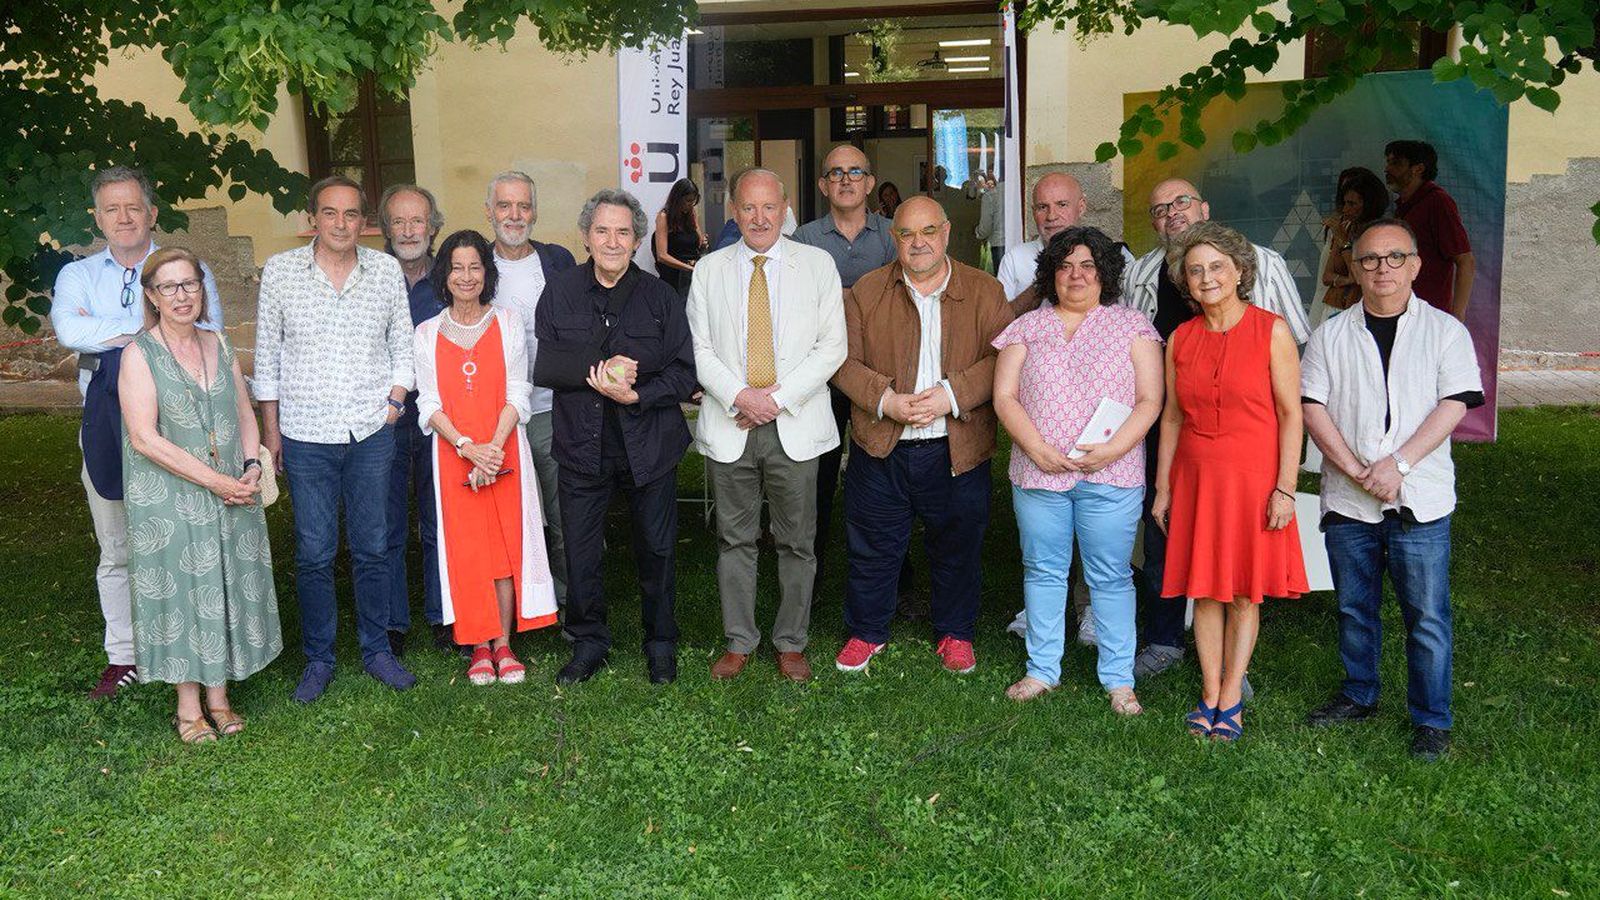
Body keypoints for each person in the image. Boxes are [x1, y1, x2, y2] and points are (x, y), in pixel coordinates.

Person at [1301, 217, 1484, 761]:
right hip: (1349, 498)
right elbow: (1313, 408)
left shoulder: (1446, 331)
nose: (1383, 269)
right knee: (1356, 608)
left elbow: (1454, 402)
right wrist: (1359, 471)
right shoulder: (1330, 335)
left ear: (1416, 265)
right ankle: (1359, 694)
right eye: (1370, 260)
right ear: (1354, 268)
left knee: (1426, 616)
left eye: (1395, 257)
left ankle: (1432, 719)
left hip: (1420, 497)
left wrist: (1397, 464)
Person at [1122, 177, 1309, 685]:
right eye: (1160, 208)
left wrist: (1285, 483)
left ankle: (1233, 673)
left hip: (1251, 459)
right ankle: (1171, 645)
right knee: (1183, 559)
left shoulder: (1268, 303)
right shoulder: (1159, 302)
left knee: (1242, 577)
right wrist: (1162, 486)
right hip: (1187, 450)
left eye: (1181, 202)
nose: (1173, 213)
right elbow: (1171, 408)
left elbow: (1294, 402)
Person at [50, 166, 224, 700]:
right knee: (118, 543)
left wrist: (117, 335)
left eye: (133, 207)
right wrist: (144, 332)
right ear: (97, 217)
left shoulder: (185, 269)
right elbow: (69, 330)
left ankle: (197, 644)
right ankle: (125, 654)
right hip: (105, 421)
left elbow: (208, 329)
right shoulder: (77, 276)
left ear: (151, 213)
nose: (124, 218)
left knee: (189, 537)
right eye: (111, 209)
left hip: (182, 421)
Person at [831, 196, 1013, 675]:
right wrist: (884, 400)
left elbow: (1005, 358)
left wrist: (952, 395)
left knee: (957, 546)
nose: (918, 243)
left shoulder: (984, 290)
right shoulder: (866, 292)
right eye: (907, 234)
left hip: (957, 446)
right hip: (881, 444)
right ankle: (866, 632)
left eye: (928, 231)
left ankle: (955, 632)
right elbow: (841, 362)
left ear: (947, 232)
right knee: (872, 545)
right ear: (894, 239)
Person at [255, 174, 416, 702]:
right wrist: (271, 431)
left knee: (373, 547)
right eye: (330, 213)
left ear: (364, 222)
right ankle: (319, 658)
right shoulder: (281, 273)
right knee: (314, 551)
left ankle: (377, 650)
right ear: (312, 219)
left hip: (372, 430)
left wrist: (394, 404)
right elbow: (268, 358)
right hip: (305, 434)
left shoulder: (385, 270)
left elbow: (404, 345)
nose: (341, 224)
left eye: (351, 215)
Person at [992, 227, 1163, 712]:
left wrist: (1113, 451)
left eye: (1087, 265)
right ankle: (1042, 669)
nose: (1076, 275)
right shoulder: (1026, 326)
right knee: (1043, 571)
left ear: (1104, 272)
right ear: (1050, 273)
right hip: (1038, 472)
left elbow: (1151, 400)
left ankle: (1118, 678)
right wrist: (1037, 448)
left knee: (1110, 575)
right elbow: (1005, 397)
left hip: (1112, 474)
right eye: (1065, 265)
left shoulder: (1132, 326)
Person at [532, 189, 698, 686]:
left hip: (650, 442)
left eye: (623, 232)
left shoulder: (660, 298)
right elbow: (547, 365)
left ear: (637, 239)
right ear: (586, 237)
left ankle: (661, 642)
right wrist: (599, 371)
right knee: (581, 549)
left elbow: (684, 374)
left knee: (658, 546)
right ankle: (589, 642)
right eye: (602, 230)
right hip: (582, 444)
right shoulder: (559, 292)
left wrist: (638, 396)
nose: (612, 241)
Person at [688, 168, 847, 683]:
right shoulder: (708, 271)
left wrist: (773, 400)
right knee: (735, 539)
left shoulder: (817, 265)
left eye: (769, 208)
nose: (759, 218)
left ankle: (790, 641)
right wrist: (740, 396)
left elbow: (832, 348)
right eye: (748, 208)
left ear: (785, 209)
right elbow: (701, 349)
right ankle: (739, 640)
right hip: (731, 419)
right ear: (734, 211)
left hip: (793, 423)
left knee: (797, 540)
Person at [118, 247, 281, 742]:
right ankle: (188, 706)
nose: (182, 295)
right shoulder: (138, 353)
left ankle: (219, 696)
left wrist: (252, 466)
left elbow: (245, 412)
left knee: (223, 584)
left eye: (189, 284)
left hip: (234, 486)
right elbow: (144, 437)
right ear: (151, 296)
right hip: (170, 495)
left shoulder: (220, 345)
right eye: (168, 287)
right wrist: (215, 482)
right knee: (186, 594)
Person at [414, 230, 559, 685]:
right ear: (444, 275)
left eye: (475, 266)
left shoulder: (508, 322)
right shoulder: (426, 333)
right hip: (454, 452)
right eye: (456, 267)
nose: (466, 275)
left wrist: (493, 449)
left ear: (486, 272)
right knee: (466, 547)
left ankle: (504, 643)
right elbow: (428, 403)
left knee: (503, 546)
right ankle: (478, 642)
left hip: (504, 449)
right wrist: (467, 448)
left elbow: (520, 390)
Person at [791, 145, 899, 605]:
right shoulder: (803, 238)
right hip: (820, 375)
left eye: (856, 171)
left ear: (870, 182)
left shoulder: (894, 236)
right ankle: (808, 575)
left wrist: (837, 293)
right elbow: (797, 303)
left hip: (882, 374)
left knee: (883, 471)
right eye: (835, 172)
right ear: (823, 185)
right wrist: (866, 294)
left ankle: (895, 570)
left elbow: (907, 296)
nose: (846, 179)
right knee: (818, 473)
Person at [485, 171, 577, 611]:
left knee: (562, 516)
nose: (514, 215)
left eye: (523, 206)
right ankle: (512, 607)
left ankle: (565, 602)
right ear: (490, 211)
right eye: (505, 205)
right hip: (489, 418)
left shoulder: (558, 261)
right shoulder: (473, 263)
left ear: (535, 212)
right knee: (504, 520)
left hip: (548, 410)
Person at [378, 183, 449, 654]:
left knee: (440, 516)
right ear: (385, 229)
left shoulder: (450, 277)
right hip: (382, 417)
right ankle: (391, 622)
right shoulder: (369, 276)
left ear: (432, 226)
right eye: (398, 222)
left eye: (417, 221)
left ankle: (445, 615)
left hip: (438, 417)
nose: (409, 230)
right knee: (385, 521)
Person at [1385, 140, 1474, 321]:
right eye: (1387, 162)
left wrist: (1457, 318)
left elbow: (1465, 261)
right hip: (1398, 312)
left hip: (1429, 316)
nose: (1387, 169)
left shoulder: (1438, 202)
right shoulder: (1402, 206)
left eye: (1396, 163)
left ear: (1418, 169)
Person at [1312, 168, 1387, 329]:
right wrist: (1346, 280)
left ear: (1368, 204)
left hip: (1363, 312)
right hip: (1335, 304)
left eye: (1352, 204)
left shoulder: (1380, 234)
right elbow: (1326, 277)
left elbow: (1360, 275)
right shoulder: (1345, 228)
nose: (1345, 209)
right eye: (1344, 202)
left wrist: (1344, 242)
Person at [653, 178, 706, 297]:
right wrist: (688, 268)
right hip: (674, 276)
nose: (690, 205)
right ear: (678, 199)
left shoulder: (691, 214)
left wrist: (702, 242)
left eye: (693, 201)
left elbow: (698, 241)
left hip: (691, 272)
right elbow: (662, 256)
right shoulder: (664, 217)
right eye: (687, 201)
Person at [974, 171, 1004, 274]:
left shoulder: (990, 196)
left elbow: (985, 229)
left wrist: (976, 232)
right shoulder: (1017, 191)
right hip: (1018, 242)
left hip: (998, 245)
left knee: (999, 284)